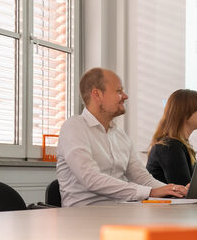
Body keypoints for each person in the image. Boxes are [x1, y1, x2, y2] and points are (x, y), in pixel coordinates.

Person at [57, 68, 187, 206]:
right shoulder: (74, 127)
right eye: (119, 91)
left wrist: (176, 190)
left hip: (122, 211)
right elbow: (91, 179)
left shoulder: (120, 135)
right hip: (83, 216)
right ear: (97, 94)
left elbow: (142, 178)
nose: (125, 96)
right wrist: (150, 192)